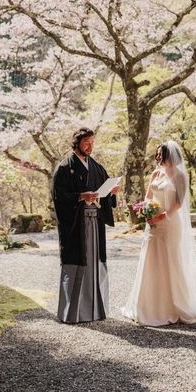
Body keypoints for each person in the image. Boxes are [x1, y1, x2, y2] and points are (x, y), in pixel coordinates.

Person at [122, 140, 196, 326]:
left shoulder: (180, 176)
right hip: (153, 223)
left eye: (160, 155)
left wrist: (161, 217)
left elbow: (178, 204)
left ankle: (175, 306)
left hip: (170, 224)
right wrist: (146, 210)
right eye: (156, 154)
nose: (157, 158)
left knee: (171, 261)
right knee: (151, 260)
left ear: (169, 156)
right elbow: (149, 196)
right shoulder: (155, 173)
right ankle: (148, 306)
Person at [52, 127, 119, 324]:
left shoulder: (96, 167)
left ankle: (96, 311)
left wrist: (112, 192)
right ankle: (72, 313)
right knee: (77, 262)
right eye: (86, 142)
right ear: (77, 144)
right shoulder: (64, 168)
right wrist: (81, 196)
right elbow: (58, 197)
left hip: (95, 223)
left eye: (92, 142)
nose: (90, 146)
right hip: (76, 225)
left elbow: (104, 192)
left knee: (95, 263)